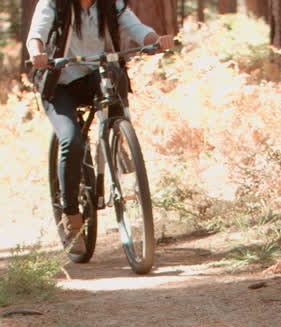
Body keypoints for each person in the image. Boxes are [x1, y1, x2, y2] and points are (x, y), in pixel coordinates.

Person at [27, 0, 173, 253]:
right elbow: (36, 34)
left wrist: (156, 40)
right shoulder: (54, 3)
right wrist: (37, 54)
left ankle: (116, 140)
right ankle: (70, 216)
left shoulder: (110, 4)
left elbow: (135, 27)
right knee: (71, 141)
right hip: (59, 82)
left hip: (95, 77)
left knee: (115, 79)